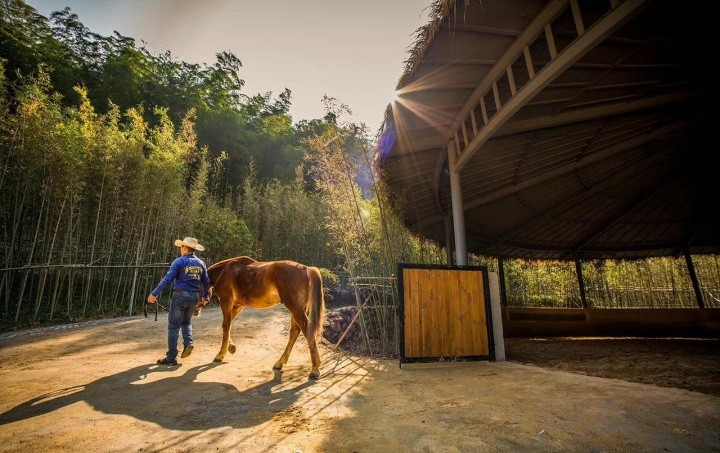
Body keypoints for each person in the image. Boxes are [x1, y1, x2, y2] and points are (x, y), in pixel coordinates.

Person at [147, 236, 210, 366]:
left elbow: (167, 279)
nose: (180, 249)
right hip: (194, 296)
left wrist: (154, 293)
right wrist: (205, 297)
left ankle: (171, 358)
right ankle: (189, 343)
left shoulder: (179, 261)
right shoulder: (201, 263)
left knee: (173, 327)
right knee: (186, 322)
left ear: (185, 248)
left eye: (181, 247)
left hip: (180, 295)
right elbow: (206, 282)